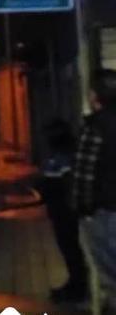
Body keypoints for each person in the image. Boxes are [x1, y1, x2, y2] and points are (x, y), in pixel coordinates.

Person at [72, 70, 116, 314]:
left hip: (105, 211)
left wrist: (83, 208)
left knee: (109, 271)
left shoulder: (95, 127)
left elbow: (84, 174)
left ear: (95, 96)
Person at [39, 119, 87, 303]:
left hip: (64, 211)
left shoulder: (60, 158)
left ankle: (78, 288)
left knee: (71, 248)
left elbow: (54, 184)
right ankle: (77, 285)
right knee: (72, 248)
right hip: (65, 210)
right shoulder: (68, 153)